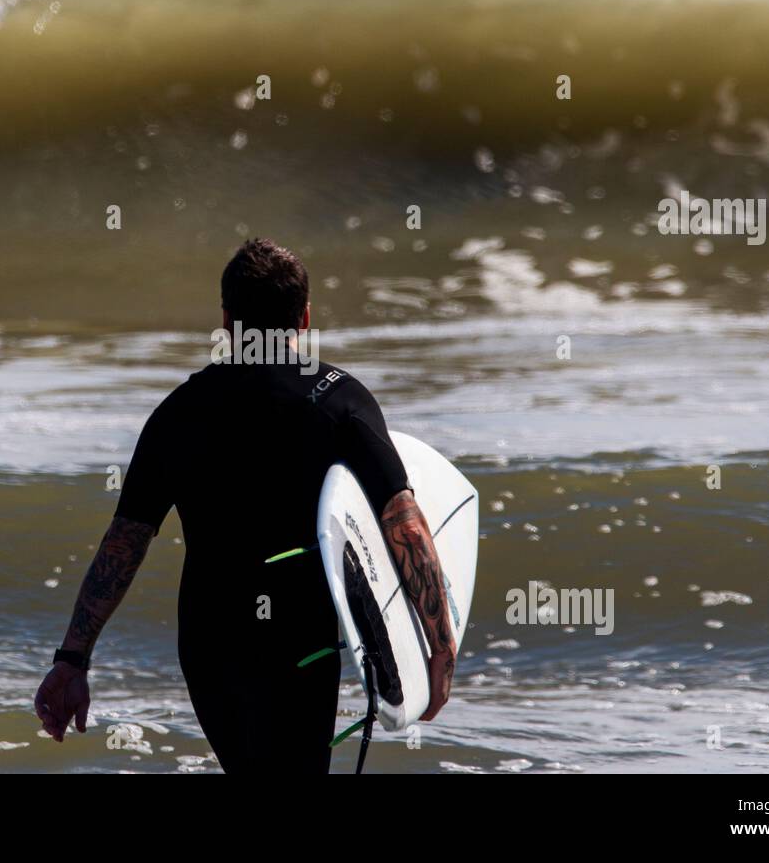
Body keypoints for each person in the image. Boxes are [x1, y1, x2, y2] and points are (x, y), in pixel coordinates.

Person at [34, 238, 455, 772]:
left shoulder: (180, 412)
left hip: (210, 647)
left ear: (228, 320)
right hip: (298, 642)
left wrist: (73, 658)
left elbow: (125, 542)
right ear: (304, 318)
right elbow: (405, 524)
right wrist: (439, 647)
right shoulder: (340, 401)